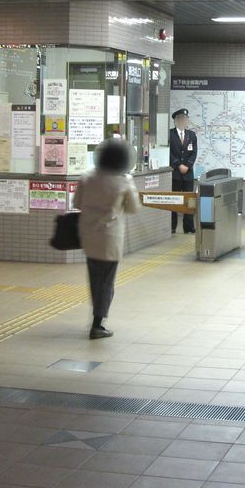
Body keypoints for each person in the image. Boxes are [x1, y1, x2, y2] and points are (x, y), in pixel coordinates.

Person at [72, 139, 141, 339]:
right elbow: (133, 208)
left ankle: (96, 319)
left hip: (88, 235)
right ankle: (97, 323)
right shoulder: (124, 180)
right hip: (110, 238)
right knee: (107, 282)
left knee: (95, 279)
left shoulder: (87, 177)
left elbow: (77, 203)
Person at [169, 108, 197, 234]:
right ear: (176, 121)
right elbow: (168, 152)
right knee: (174, 200)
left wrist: (188, 166)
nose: (183, 121)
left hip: (188, 174)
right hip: (175, 173)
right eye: (180, 119)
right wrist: (178, 165)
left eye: (185, 119)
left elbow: (194, 153)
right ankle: (172, 226)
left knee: (189, 201)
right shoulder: (170, 134)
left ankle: (189, 227)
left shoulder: (192, 135)